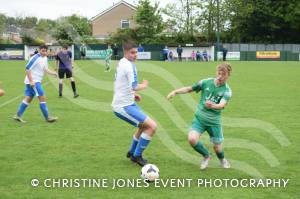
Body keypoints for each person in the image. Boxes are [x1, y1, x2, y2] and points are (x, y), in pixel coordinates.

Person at [167, 63, 232, 170]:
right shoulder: (205, 82)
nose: (220, 76)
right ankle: (206, 156)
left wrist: (213, 105)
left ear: (228, 75)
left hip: (214, 122)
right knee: (192, 139)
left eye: (223, 74)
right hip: (200, 120)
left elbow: (221, 105)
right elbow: (189, 89)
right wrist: (175, 91)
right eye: (219, 73)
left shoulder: (227, 91)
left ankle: (222, 160)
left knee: (217, 148)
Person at [112, 40, 157, 167]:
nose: (135, 55)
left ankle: (132, 152)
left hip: (127, 102)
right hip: (123, 106)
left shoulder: (122, 61)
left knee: (143, 126)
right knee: (152, 127)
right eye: (132, 53)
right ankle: (137, 156)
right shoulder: (129, 66)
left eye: (136, 52)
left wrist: (132, 95)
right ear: (125, 53)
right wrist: (145, 85)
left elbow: (121, 83)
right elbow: (135, 86)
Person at [13, 45, 58, 123]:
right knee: (42, 96)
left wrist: (53, 73)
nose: (44, 52)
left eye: (45, 51)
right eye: (42, 50)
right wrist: (31, 81)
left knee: (28, 98)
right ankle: (48, 117)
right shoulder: (35, 58)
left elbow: (45, 69)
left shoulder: (45, 58)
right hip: (34, 81)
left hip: (34, 81)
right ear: (39, 50)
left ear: (47, 51)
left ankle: (18, 115)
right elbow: (27, 68)